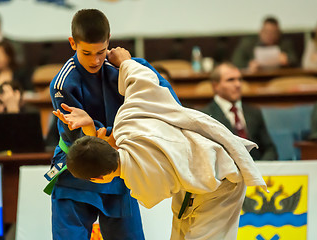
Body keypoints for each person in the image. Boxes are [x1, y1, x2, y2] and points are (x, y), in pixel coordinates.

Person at [52, 47, 267, 240]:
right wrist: (126, 62)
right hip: (195, 178)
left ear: (99, 179)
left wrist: (91, 129)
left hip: (222, 182)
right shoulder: (126, 122)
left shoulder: (141, 186)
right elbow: (143, 82)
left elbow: (143, 166)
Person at [46, 9, 180, 240]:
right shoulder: (63, 83)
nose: (95, 60)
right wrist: (96, 131)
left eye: (100, 51)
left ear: (109, 41)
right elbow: (83, 141)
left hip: (118, 167)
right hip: (77, 170)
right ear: (72, 43)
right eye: (87, 53)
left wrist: (128, 64)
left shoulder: (127, 67)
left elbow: (169, 105)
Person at [200, 62, 278, 160]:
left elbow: (270, 149)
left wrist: (261, 169)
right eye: (231, 80)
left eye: (239, 79)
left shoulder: (254, 112)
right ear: (216, 86)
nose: (238, 84)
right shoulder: (205, 116)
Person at [232, 16, 298, 71]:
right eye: (266, 32)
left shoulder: (285, 43)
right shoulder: (248, 43)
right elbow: (236, 62)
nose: (270, 35)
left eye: (273, 32)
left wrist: (287, 60)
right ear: (260, 31)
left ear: (279, 33)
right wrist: (248, 65)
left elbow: (295, 61)